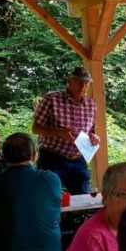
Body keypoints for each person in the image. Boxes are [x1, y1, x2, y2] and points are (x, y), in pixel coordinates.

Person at [32, 65, 99, 195]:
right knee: (49, 198)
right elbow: (36, 128)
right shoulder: (52, 99)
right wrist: (59, 133)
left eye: (86, 83)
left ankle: (78, 216)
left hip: (78, 159)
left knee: (83, 201)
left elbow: (92, 131)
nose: (83, 86)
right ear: (69, 82)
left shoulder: (91, 105)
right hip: (52, 158)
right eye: (79, 82)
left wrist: (94, 138)